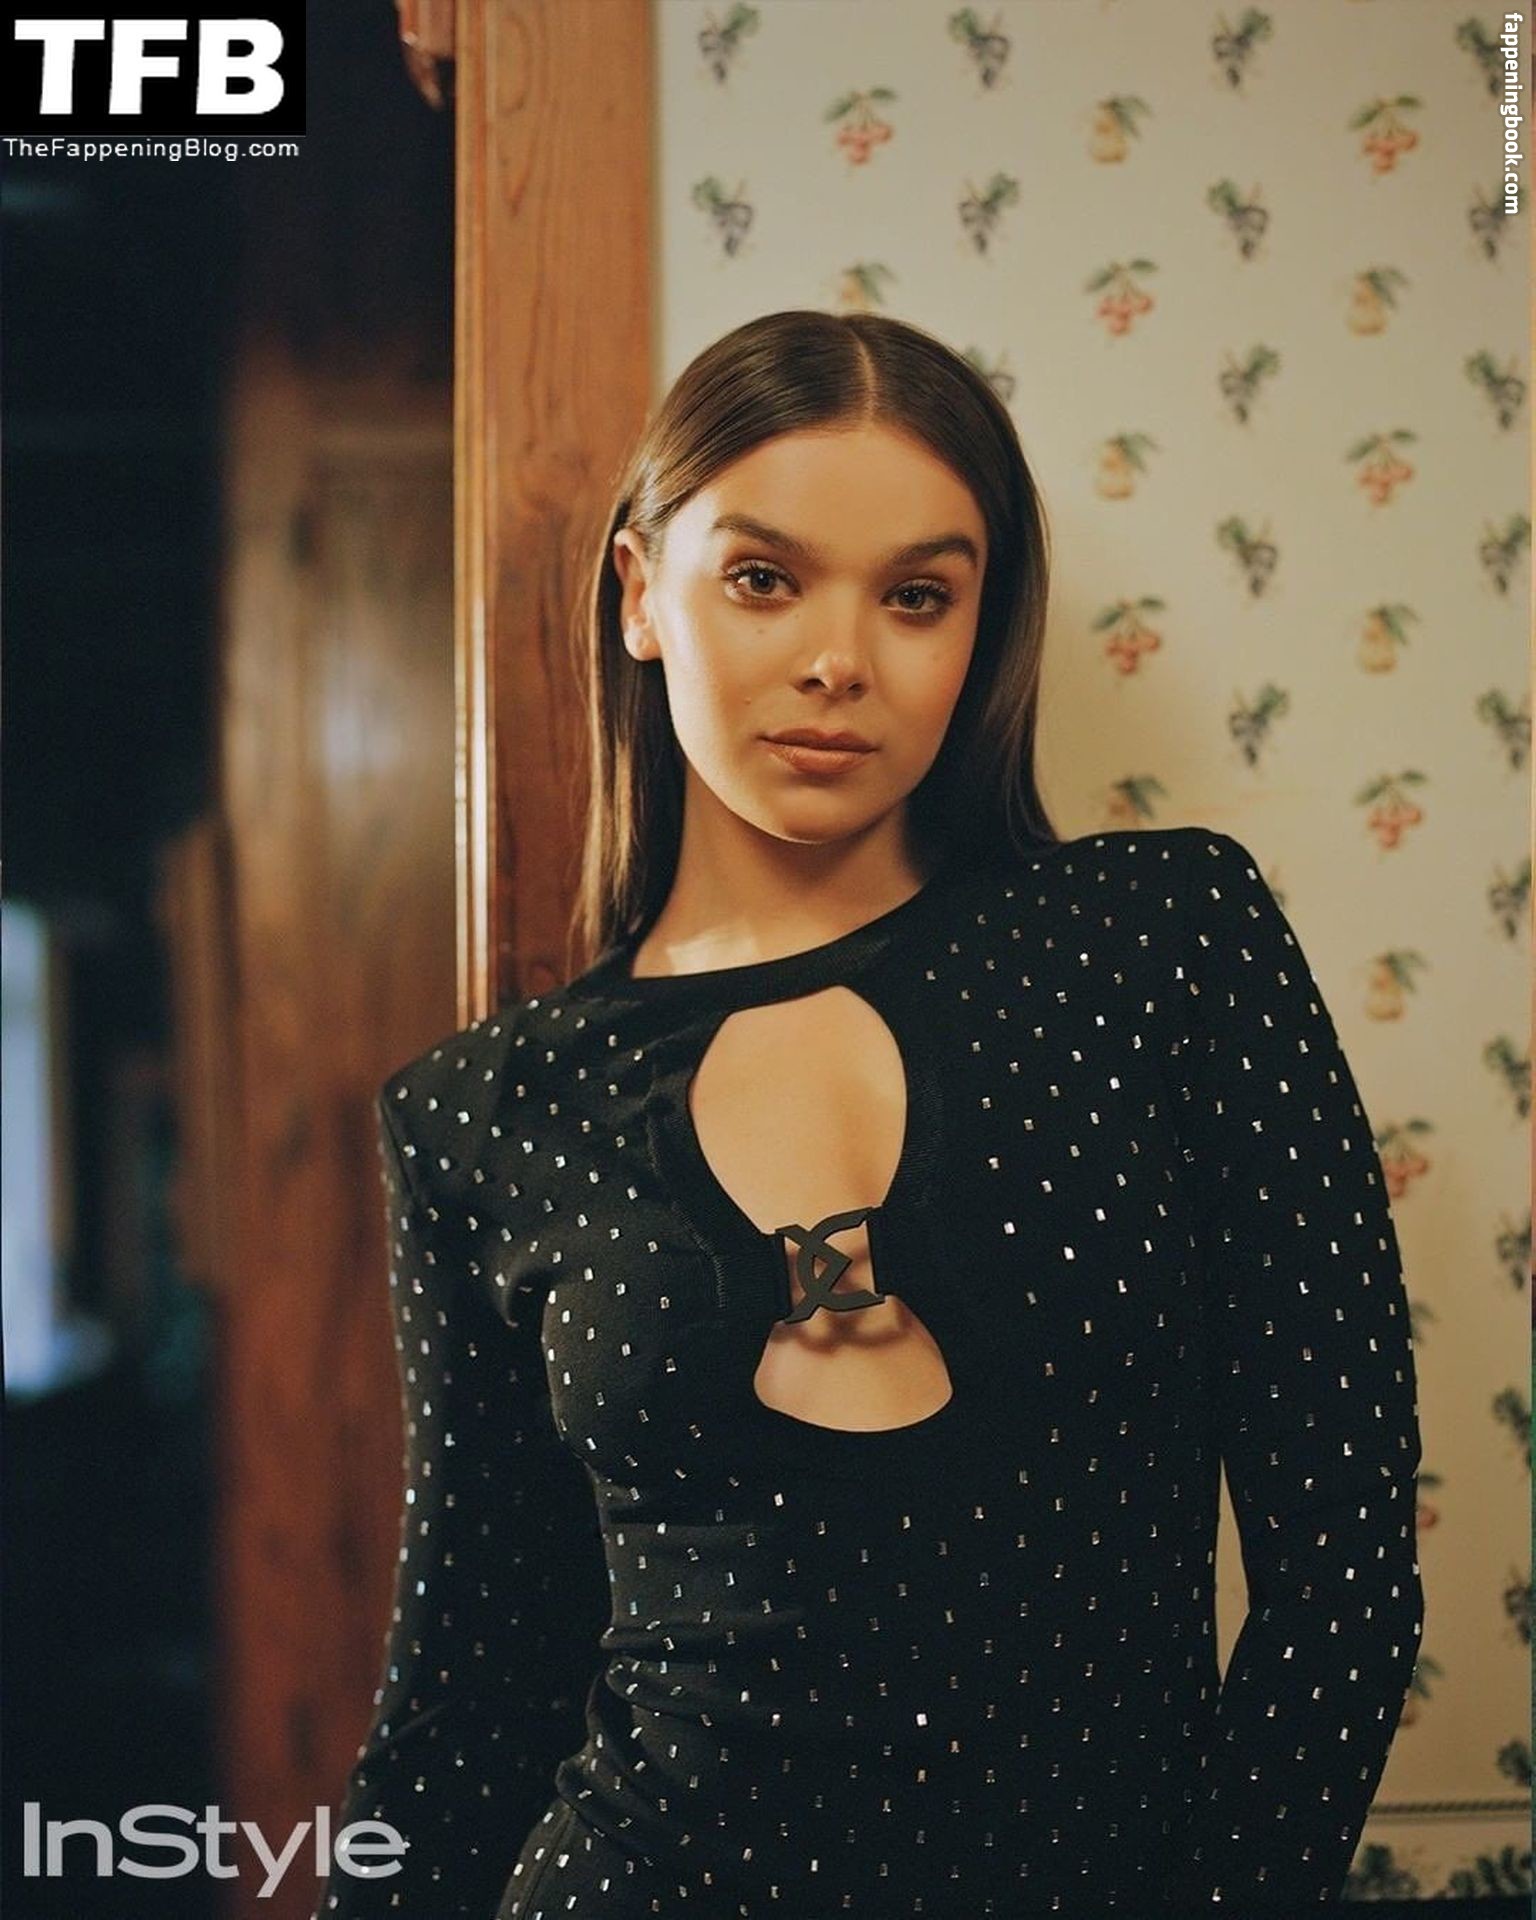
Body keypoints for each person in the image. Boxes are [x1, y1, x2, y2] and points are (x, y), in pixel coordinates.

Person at [314, 310, 1424, 1919]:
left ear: (982, 627)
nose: (840, 658)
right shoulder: (484, 1112)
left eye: (917, 596)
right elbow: (466, 1702)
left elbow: (1345, 1585)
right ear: (641, 592)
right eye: (765, 578)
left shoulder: (1163, 943)